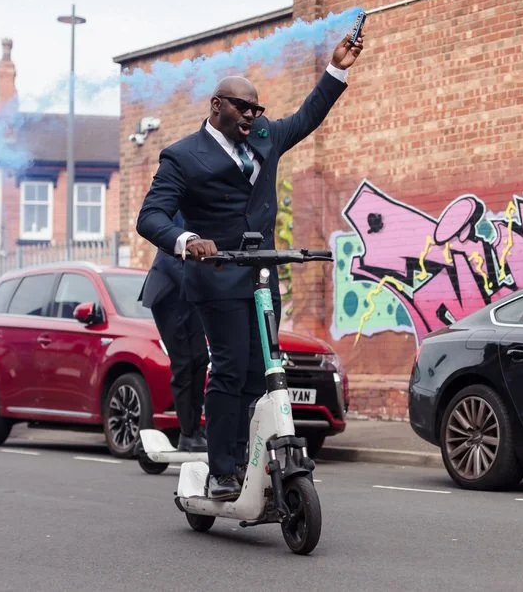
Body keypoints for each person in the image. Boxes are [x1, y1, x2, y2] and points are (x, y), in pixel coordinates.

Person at [136, 31, 364, 501]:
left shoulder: (264, 137)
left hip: (261, 276)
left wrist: (337, 68)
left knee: (263, 371)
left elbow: (306, 117)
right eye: (242, 108)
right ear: (217, 105)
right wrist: (187, 239)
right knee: (229, 368)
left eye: (256, 109)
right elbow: (150, 216)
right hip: (215, 277)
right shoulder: (182, 155)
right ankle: (221, 469)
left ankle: (249, 458)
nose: (251, 117)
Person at [138, 210, 209, 452]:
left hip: (190, 296)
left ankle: (195, 430)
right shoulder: (177, 206)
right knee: (183, 364)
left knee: (201, 359)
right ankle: (187, 434)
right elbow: (169, 253)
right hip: (168, 295)